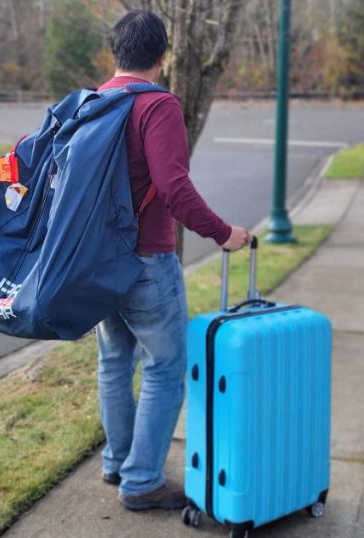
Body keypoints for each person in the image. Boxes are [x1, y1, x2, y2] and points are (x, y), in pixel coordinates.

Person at [95, 10, 252, 511]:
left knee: (115, 362)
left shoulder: (93, 103)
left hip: (97, 262)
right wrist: (223, 233)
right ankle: (140, 482)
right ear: (164, 57)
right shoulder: (158, 106)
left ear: (115, 53)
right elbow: (174, 187)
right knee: (165, 366)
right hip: (146, 260)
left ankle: (119, 462)